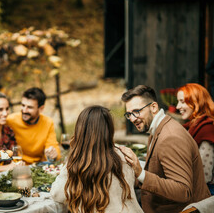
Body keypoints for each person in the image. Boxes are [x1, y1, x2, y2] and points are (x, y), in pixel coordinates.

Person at [119, 85, 210, 213]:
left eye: (136, 111)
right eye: (129, 114)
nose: (133, 118)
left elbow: (183, 191)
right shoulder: (157, 129)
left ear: (153, 107)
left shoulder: (170, 137)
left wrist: (141, 173)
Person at [50, 106, 143, 213]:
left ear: (80, 131)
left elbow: (57, 193)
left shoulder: (77, 162)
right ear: (110, 130)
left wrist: (70, 160)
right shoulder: (123, 155)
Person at [0, 87, 61, 164]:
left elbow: (53, 147)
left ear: (41, 109)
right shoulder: (10, 120)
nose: (24, 110)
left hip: (38, 165)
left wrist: (53, 154)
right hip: (17, 166)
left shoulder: (48, 123)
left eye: (30, 107)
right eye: (23, 105)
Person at [176, 83, 214, 195]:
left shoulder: (207, 129)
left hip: (206, 192)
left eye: (182, 102)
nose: (178, 107)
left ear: (197, 102)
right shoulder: (193, 125)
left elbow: (204, 176)